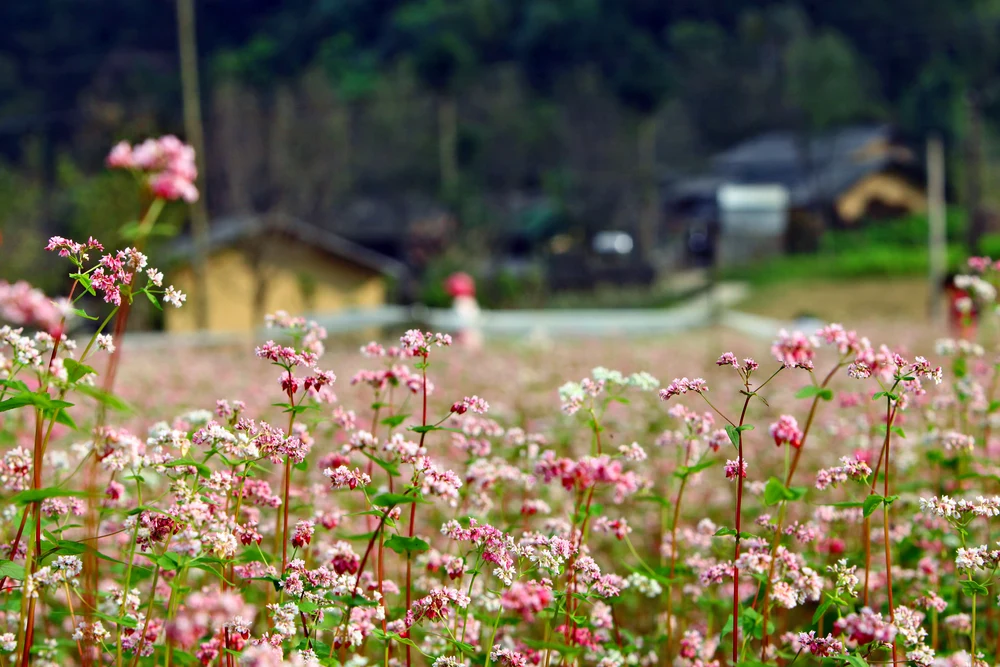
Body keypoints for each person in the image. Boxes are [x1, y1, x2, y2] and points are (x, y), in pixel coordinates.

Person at [444, 272, 483, 349]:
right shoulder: (471, 300)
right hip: (475, 337)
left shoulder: (460, 301)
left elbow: (462, 322)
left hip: (465, 338)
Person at [943, 272, 978, 341]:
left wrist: (963, 341)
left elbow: (965, 323)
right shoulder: (963, 295)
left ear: (950, 286)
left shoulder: (959, 298)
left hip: (963, 337)